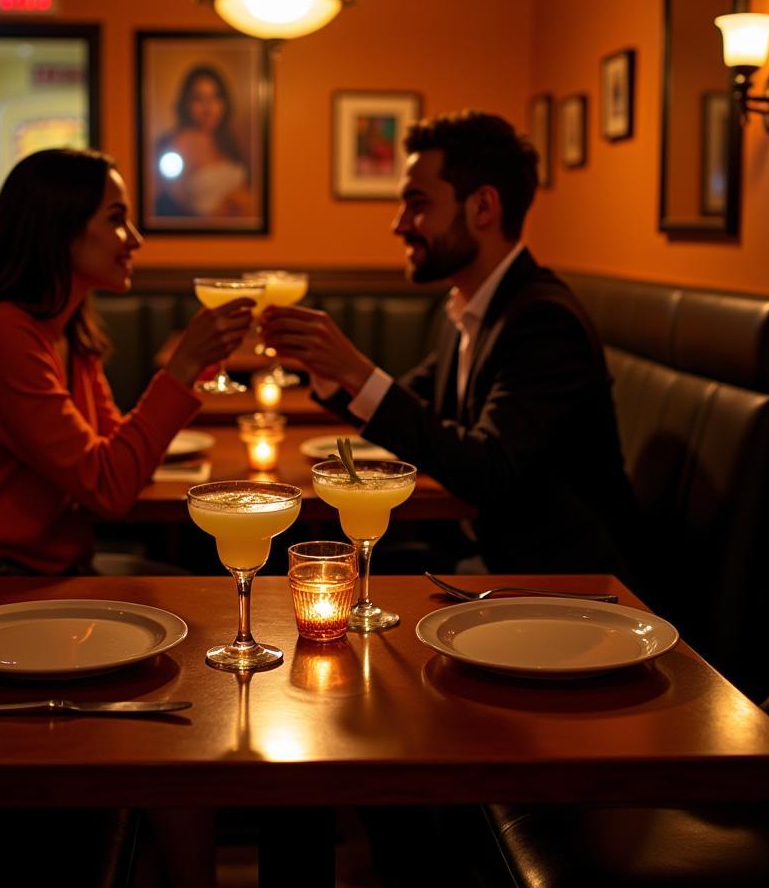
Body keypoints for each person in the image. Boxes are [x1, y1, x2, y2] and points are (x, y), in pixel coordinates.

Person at [0, 148, 255, 658]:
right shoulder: (3, 336)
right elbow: (108, 486)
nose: (136, 240)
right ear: (59, 229)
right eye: (117, 219)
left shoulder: (67, 331)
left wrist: (191, 371)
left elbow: (120, 466)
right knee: (191, 634)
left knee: (204, 619)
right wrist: (182, 370)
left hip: (39, 578)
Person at [262, 110, 640, 579]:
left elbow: (491, 470)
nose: (399, 224)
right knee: (316, 570)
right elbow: (416, 404)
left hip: (561, 581)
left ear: (483, 207)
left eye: (416, 203)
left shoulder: (543, 320)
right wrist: (326, 369)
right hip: (488, 558)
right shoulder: (468, 305)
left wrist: (356, 371)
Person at [154, 64, 253, 218]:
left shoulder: (229, 141)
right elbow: (169, 207)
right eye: (199, 99)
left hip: (242, 236)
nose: (208, 108)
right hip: (200, 237)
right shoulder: (175, 145)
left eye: (215, 98)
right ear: (186, 103)